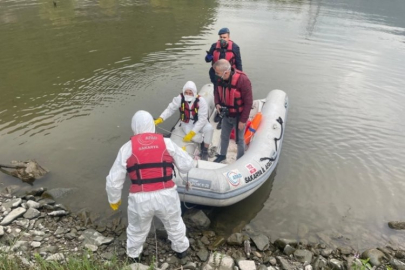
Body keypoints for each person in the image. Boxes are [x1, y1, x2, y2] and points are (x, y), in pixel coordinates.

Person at [106, 110, 194, 261]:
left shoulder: (127, 148)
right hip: (166, 195)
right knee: (174, 223)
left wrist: (114, 200)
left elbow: (114, 179)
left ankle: (133, 256)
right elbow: (186, 166)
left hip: (140, 198)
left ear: (134, 126)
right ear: (151, 125)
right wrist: (181, 155)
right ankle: (181, 250)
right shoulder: (167, 143)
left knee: (136, 229)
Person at [154, 81, 213, 161]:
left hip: (199, 121)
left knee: (209, 129)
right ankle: (202, 139)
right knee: (195, 138)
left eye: (190, 93)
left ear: (194, 93)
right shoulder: (180, 98)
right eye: (186, 92)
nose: (188, 94)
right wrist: (161, 118)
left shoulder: (201, 101)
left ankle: (205, 150)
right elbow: (170, 109)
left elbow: (202, 119)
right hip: (187, 123)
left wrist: (193, 132)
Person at [213, 59, 253, 163]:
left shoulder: (243, 80)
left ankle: (240, 159)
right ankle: (222, 155)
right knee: (224, 136)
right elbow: (217, 92)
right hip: (226, 114)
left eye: (218, 73)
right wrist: (217, 103)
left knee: (239, 139)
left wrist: (243, 121)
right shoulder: (220, 79)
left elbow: (248, 102)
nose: (216, 75)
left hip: (239, 116)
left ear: (226, 72)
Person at [205, 27, 242, 129]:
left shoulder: (235, 47)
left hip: (228, 76)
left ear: (229, 37)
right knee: (217, 92)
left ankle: (226, 116)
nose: (222, 39)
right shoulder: (214, 46)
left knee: (227, 94)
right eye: (221, 37)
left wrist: (239, 77)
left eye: (224, 37)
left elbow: (239, 64)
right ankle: (219, 111)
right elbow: (207, 60)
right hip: (216, 74)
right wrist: (208, 57)